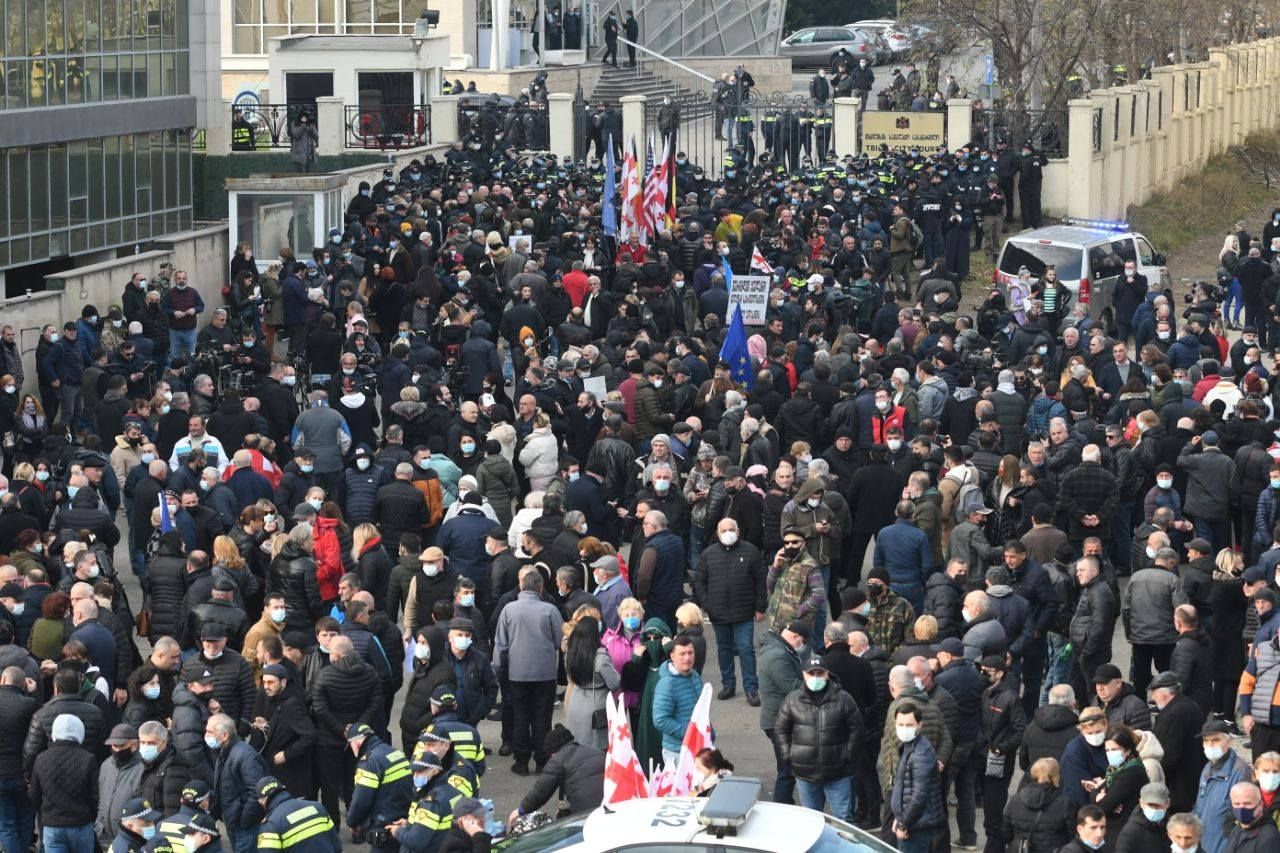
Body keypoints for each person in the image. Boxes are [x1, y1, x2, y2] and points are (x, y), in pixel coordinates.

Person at [775, 654, 863, 822]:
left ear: (827, 674)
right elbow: (780, 730)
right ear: (804, 675)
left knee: (843, 821)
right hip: (805, 774)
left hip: (838, 773)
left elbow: (857, 729)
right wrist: (788, 754)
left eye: (820, 673)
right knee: (810, 822)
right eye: (811, 673)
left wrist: (848, 754)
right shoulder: (792, 700)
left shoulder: (844, 699)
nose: (816, 677)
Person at [492, 570, 563, 776]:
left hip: (517, 672)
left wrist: (497, 669)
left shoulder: (508, 609)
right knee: (542, 717)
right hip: (545, 673)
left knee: (521, 716)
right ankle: (542, 760)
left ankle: (521, 761)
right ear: (540, 588)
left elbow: (500, 644)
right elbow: (559, 641)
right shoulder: (550, 610)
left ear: (522, 586)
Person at [695, 517, 766, 704]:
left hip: (744, 612)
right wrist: (706, 604)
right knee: (724, 650)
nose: (728, 533)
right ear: (718, 533)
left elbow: (761, 581)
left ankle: (751, 688)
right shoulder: (708, 554)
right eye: (724, 530)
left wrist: (760, 607)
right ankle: (728, 685)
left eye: (731, 529)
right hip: (718, 613)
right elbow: (699, 582)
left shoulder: (751, 551)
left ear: (738, 531)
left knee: (746, 649)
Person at [758, 621, 807, 804]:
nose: (802, 647)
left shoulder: (779, 650)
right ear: (795, 637)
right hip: (779, 722)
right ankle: (782, 804)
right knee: (787, 770)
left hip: (780, 719)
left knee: (788, 767)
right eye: (802, 642)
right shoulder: (777, 656)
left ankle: (785, 803)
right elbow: (792, 687)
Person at [888, 702, 945, 853]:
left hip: (917, 826)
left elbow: (919, 796)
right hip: (913, 821)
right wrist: (899, 817)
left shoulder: (920, 753)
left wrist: (903, 823)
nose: (904, 729)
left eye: (909, 725)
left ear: (920, 725)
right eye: (900, 724)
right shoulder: (909, 746)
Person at [1194, 719, 1253, 853]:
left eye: (1215, 740)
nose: (1210, 745)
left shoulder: (1240, 772)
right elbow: (1200, 806)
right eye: (1206, 741)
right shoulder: (1207, 768)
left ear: (1229, 741)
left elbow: (1242, 820)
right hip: (1204, 843)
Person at [1001, 757, 1076, 853]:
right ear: (1053, 777)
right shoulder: (1065, 803)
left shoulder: (1015, 799)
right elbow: (1072, 834)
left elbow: (1006, 832)